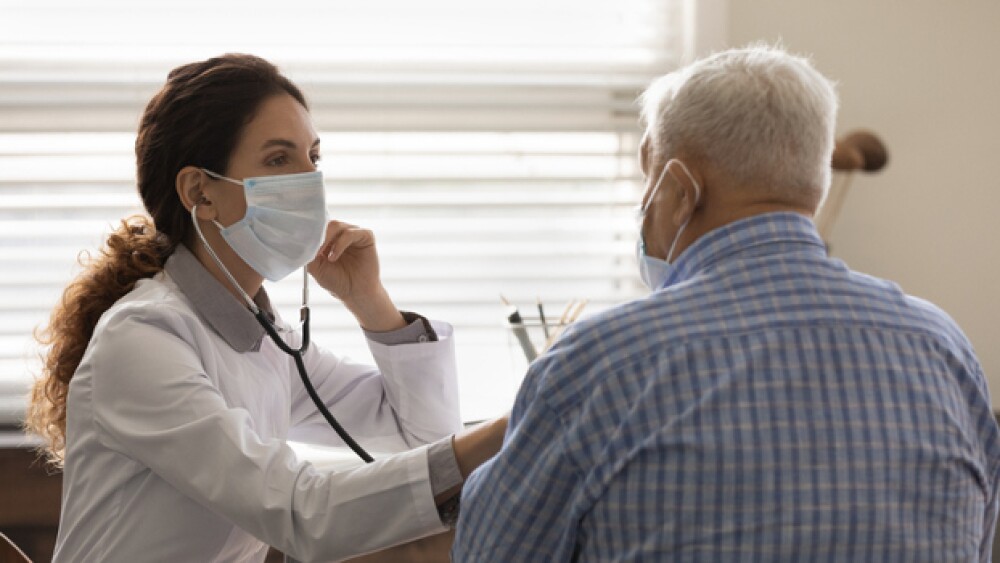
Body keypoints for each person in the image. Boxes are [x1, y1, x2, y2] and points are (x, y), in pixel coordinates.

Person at [453, 45, 1000, 561]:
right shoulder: (943, 348)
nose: (645, 207)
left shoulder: (601, 361)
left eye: (648, 183)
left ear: (680, 188)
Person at [25, 53, 506, 562]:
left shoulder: (264, 338)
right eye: (279, 160)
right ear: (200, 193)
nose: (310, 181)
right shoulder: (143, 338)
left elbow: (420, 435)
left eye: (313, 158)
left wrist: (370, 302)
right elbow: (300, 511)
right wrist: (514, 423)